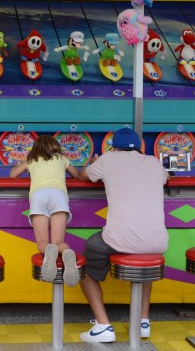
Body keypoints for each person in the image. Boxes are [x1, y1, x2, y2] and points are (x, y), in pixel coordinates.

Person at [78, 127, 169, 343]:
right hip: (157, 242)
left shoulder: (108, 160)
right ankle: (142, 322)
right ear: (139, 147)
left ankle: (102, 325)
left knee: (83, 264)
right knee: (145, 261)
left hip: (118, 239)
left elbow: (83, 176)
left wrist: (95, 163)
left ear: (114, 147)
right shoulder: (154, 162)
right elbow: (166, 179)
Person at [9, 135, 80, 286]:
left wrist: (25, 161)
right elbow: (78, 175)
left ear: (36, 148)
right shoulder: (61, 158)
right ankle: (66, 253)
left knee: (42, 241)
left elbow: (13, 175)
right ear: (55, 147)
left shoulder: (33, 159)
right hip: (58, 196)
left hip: (39, 196)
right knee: (59, 241)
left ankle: (48, 250)